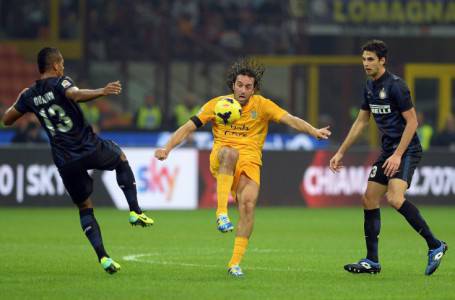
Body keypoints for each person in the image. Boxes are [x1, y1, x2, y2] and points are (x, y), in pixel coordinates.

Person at [154, 57, 331, 277]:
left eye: (248, 87)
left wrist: (314, 131)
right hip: (222, 157)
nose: (243, 90)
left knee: (248, 207)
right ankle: (221, 213)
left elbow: (291, 119)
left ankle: (234, 263)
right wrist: (167, 148)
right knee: (230, 153)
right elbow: (188, 127)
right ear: (233, 85)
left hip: (251, 162)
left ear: (254, 89)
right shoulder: (218, 105)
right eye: (239, 85)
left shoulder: (263, 105)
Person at [1, 47, 154, 274]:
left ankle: (103, 257)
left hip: (64, 159)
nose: (63, 67)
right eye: (61, 63)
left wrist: (26, 102)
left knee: (84, 207)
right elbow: (75, 94)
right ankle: (134, 210)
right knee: (120, 157)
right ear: (55, 65)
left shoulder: (28, 95)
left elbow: (7, 119)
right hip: (87, 147)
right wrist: (102, 91)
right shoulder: (61, 82)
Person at [329, 40, 447, 276]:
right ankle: (372, 261)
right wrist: (341, 151)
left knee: (394, 198)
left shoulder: (396, 86)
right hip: (388, 151)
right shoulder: (369, 87)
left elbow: (413, 122)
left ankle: (435, 245)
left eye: (370, 59)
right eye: (363, 59)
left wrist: (398, 154)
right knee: (369, 198)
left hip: (406, 150)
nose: (366, 63)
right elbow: (362, 121)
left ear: (382, 60)